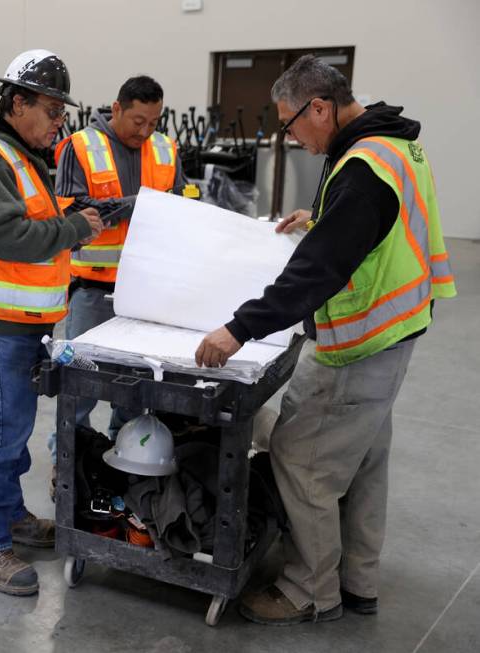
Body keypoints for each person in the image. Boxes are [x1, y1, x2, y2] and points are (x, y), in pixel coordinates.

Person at [195, 54, 456, 625]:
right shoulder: (396, 146)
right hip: (395, 333)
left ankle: (309, 590)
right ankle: (359, 581)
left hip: (358, 345)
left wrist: (238, 328)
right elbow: (375, 231)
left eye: (290, 124)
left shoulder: (363, 168)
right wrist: (323, 220)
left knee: (301, 459)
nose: (291, 138)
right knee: (363, 462)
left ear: (320, 107)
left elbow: (316, 272)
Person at [0, 49, 104, 597]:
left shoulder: (22, 157)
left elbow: (29, 225)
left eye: (62, 112)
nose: (60, 121)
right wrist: (73, 229)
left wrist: (67, 217)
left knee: (14, 430)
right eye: (52, 110)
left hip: (21, 322)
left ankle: (8, 517)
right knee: (4, 436)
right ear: (17, 103)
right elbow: (5, 237)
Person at [46, 76, 188, 493]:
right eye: (138, 121)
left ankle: (122, 458)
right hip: (92, 290)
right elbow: (73, 211)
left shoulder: (164, 148)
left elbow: (177, 204)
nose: (145, 131)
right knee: (80, 386)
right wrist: (136, 205)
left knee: (135, 387)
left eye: (154, 122)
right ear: (117, 108)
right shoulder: (80, 146)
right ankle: (66, 465)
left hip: (145, 294)